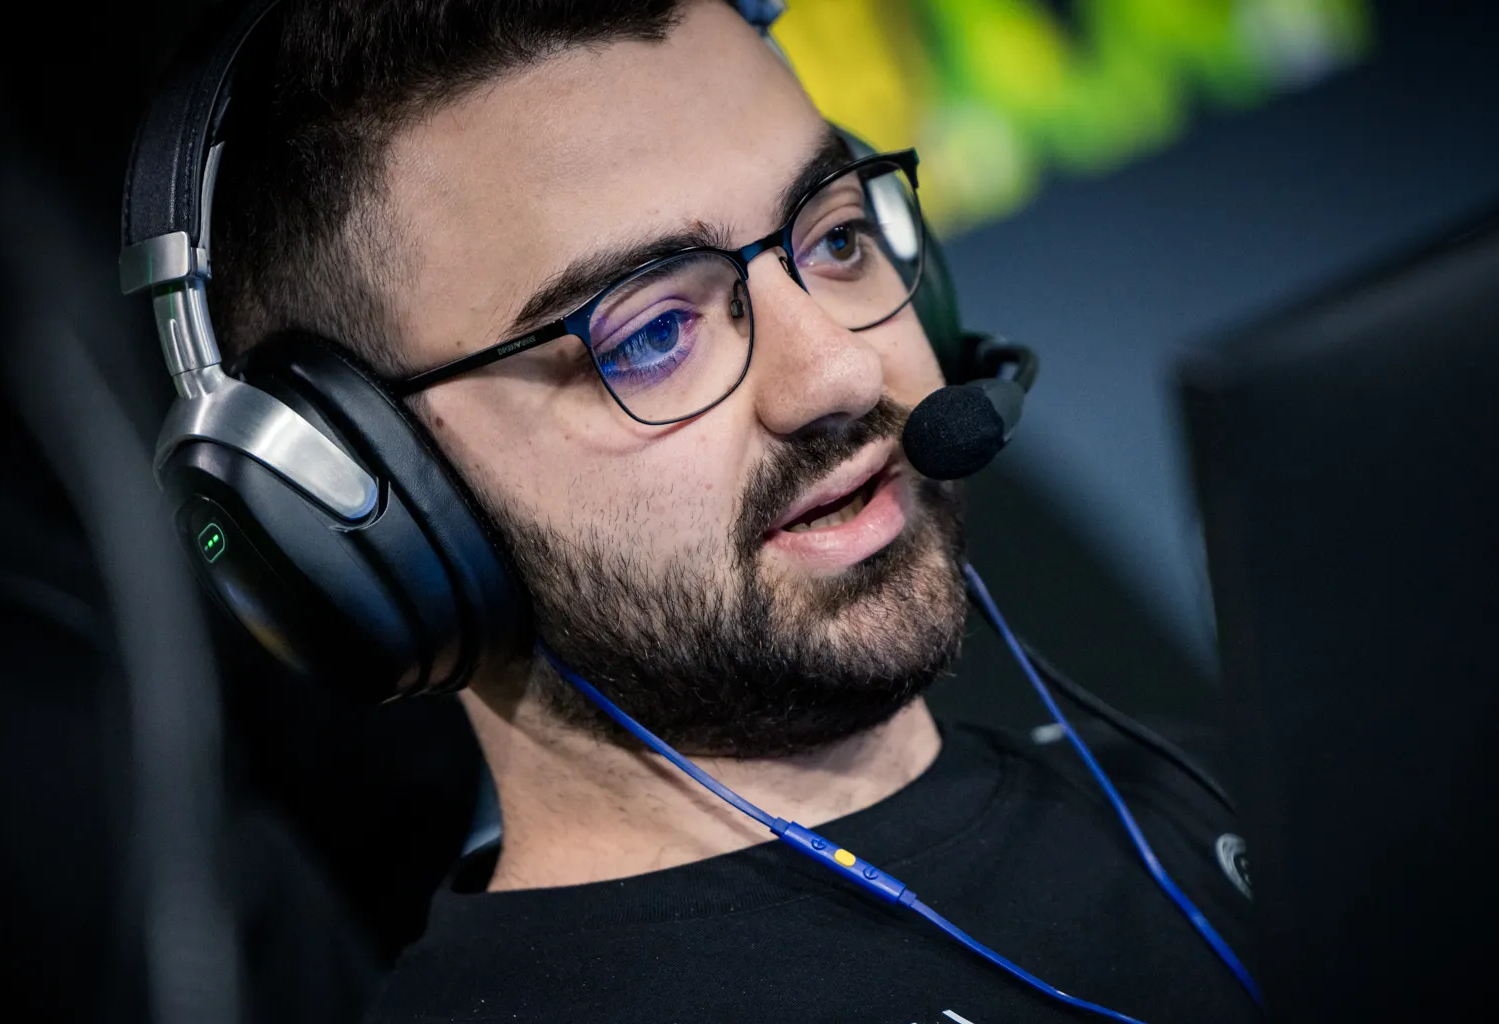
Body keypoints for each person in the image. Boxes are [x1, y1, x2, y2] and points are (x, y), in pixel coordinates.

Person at [206, 1, 1261, 1020]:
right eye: (651, 334)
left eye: (835, 238)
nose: (839, 372)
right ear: (379, 493)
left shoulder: (1234, 801)